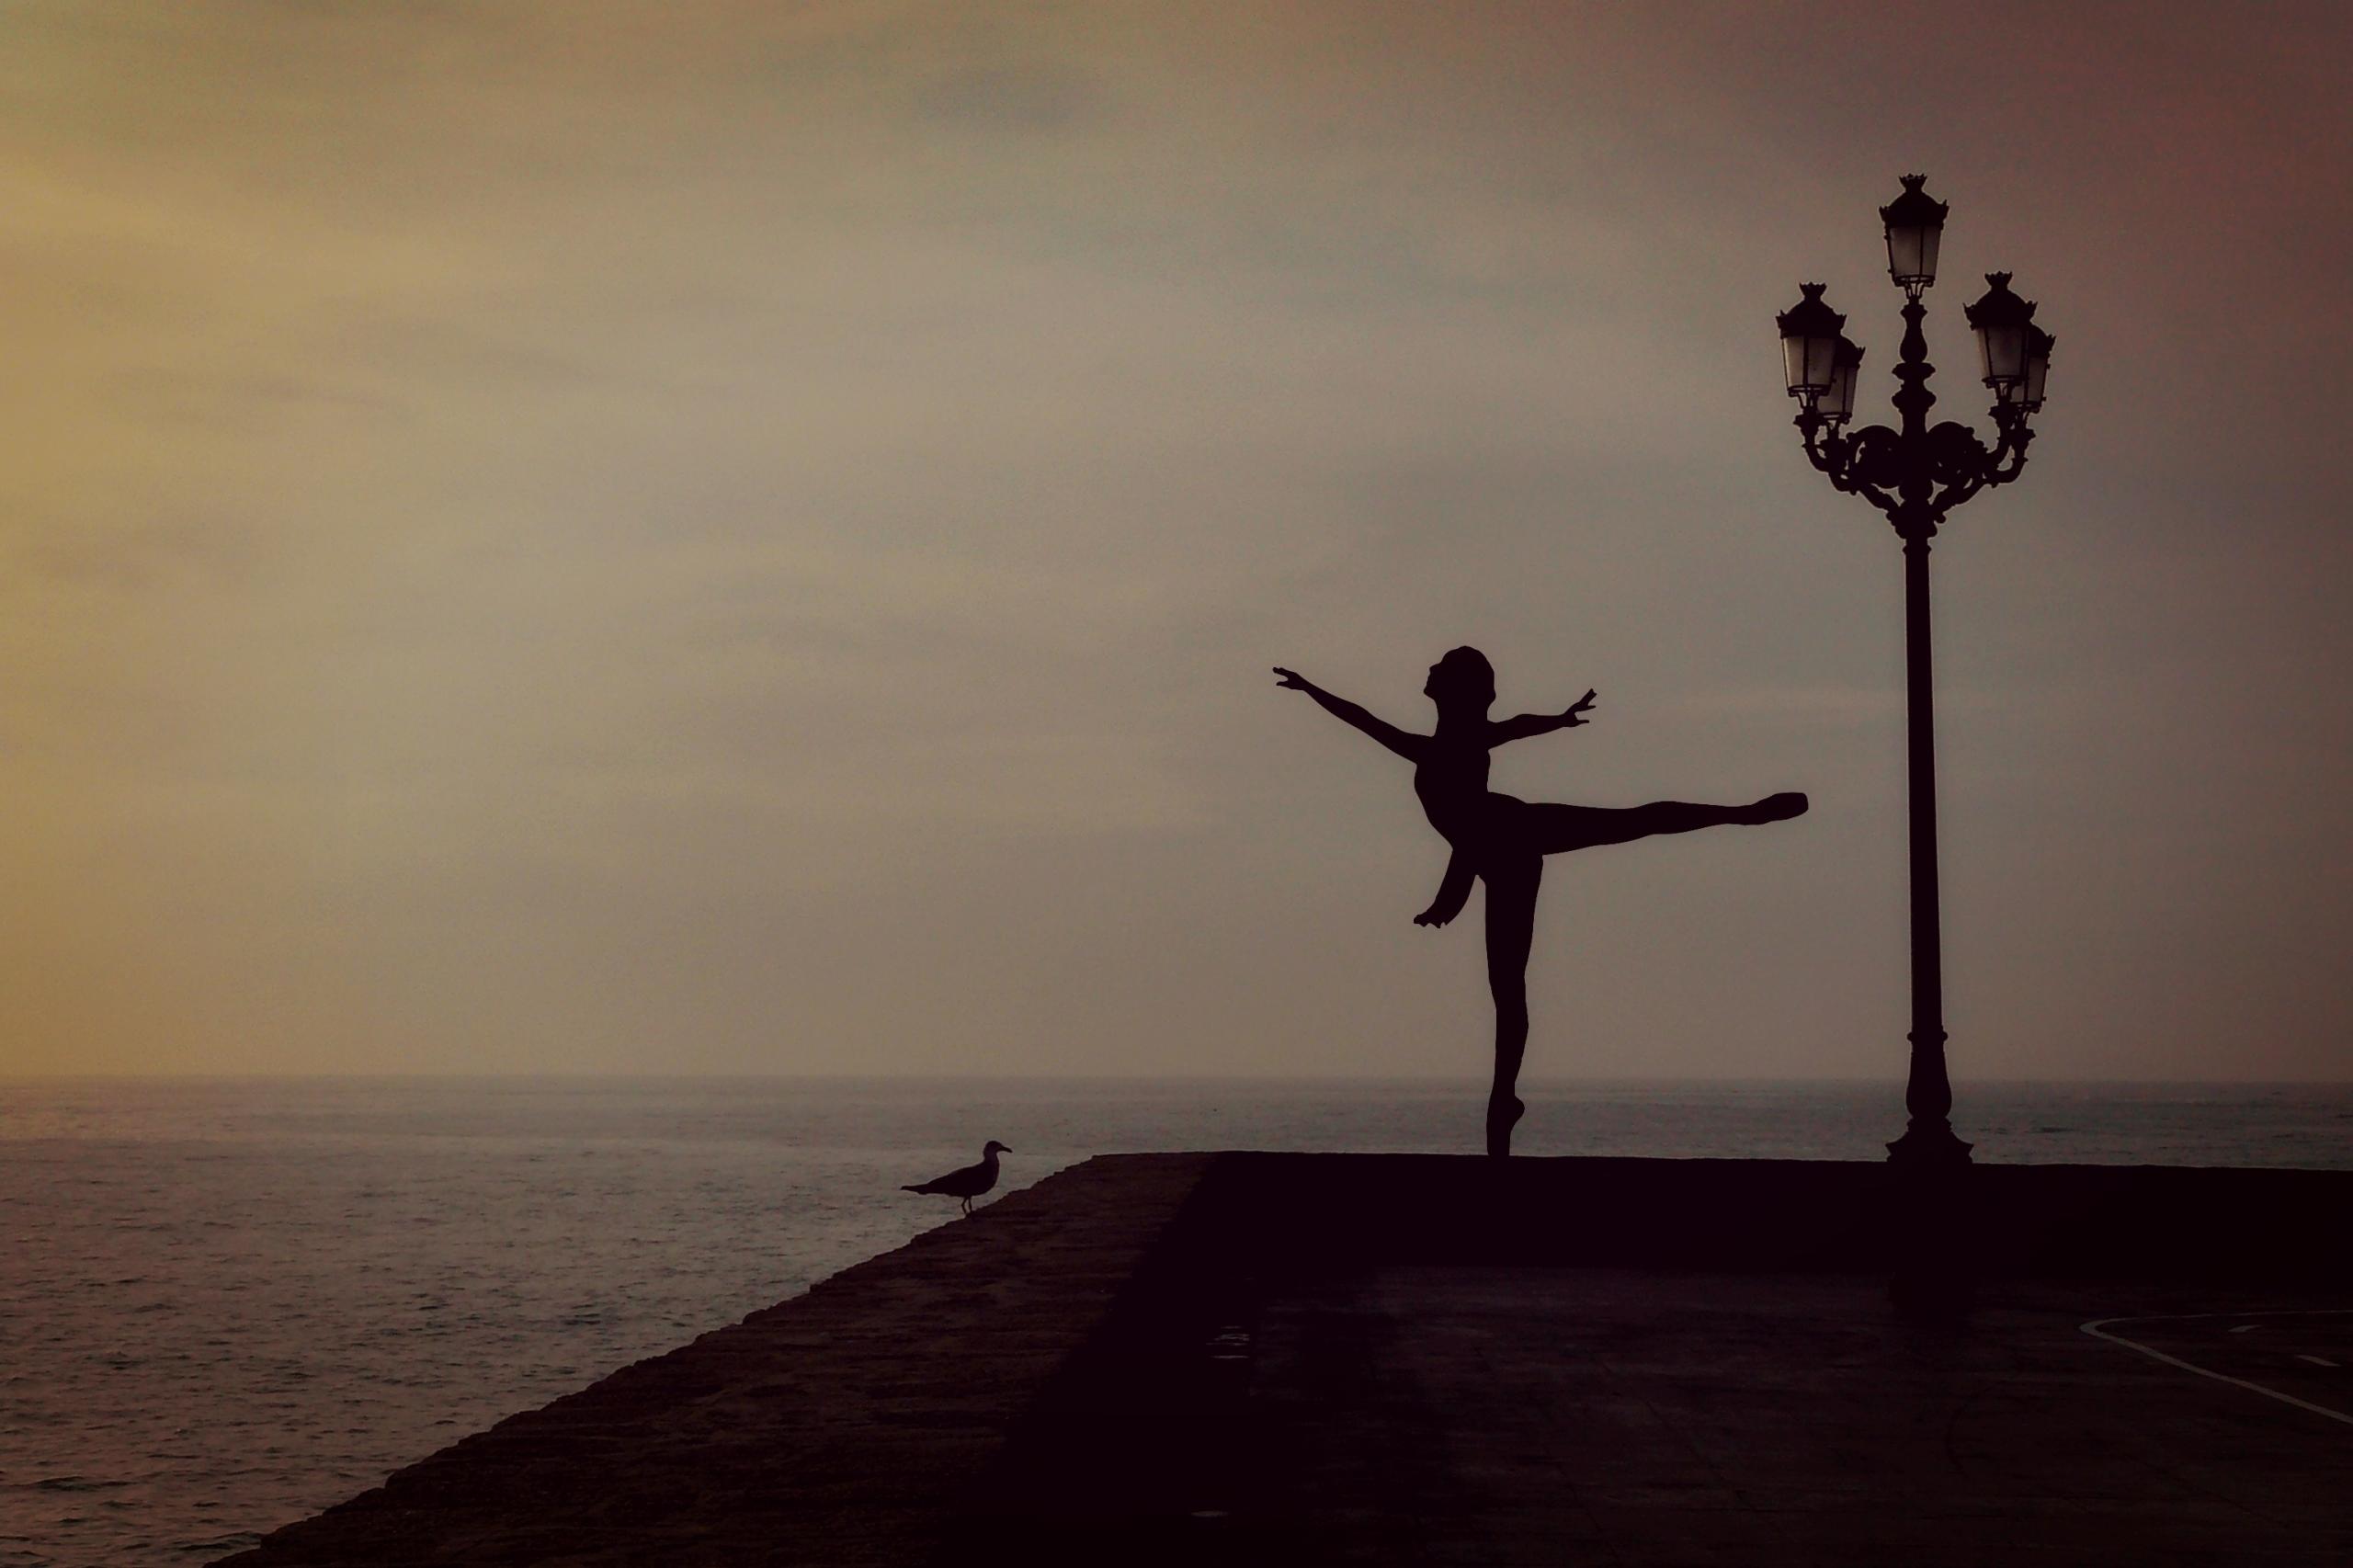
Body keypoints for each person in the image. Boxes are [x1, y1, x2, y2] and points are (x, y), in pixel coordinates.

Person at [1274, 648, 1806, 1155]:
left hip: (1508, 838)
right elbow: (1364, 719)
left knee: (1624, 829)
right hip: (1502, 847)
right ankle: (1504, 1097)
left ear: (1456, 691)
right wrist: (1309, 687)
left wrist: (1449, 897)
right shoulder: (1438, 745)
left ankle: (1744, 813)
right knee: (1517, 973)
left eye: (1440, 667)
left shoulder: (1459, 745)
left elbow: (1472, 815)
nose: (1429, 669)